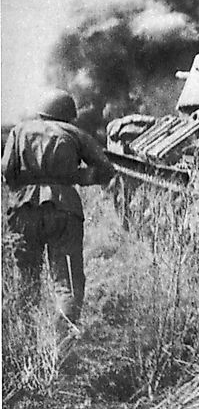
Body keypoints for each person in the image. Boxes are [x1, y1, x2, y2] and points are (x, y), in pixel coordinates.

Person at [2, 89, 115, 337]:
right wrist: (74, 177)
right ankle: (63, 340)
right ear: (68, 114)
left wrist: (27, 182)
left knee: (26, 280)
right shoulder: (74, 134)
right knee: (67, 282)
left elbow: (7, 172)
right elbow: (106, 170)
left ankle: (25, 338)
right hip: (63, 209)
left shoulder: (19, 131)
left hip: (23, 210)